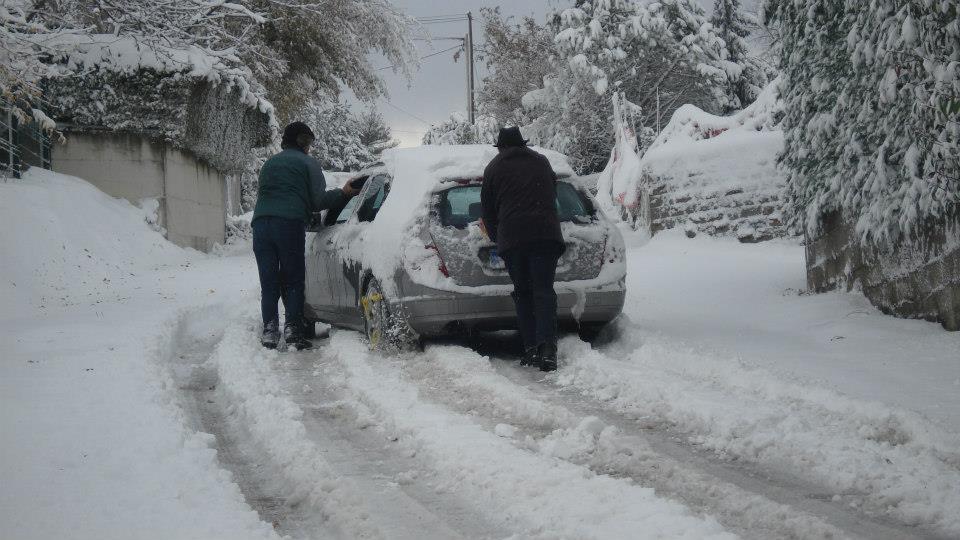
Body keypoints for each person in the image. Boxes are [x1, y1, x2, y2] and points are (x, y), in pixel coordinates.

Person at [252, 122, 359, 350]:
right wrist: (343, 193)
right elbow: (317, 201)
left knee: (268, 279)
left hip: (261, 224)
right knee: (292, 278)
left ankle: (270, 331)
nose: (310, 148)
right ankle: (293, 329)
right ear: (303, 142)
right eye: (309, 143)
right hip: (288, 224)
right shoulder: (307, 163)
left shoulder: (269, 164)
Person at [481, 126, 565, 371]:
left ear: (501, 147)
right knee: (544, 291)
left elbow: (487, 212)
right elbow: (553, 192)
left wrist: (500, 239)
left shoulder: (494, 168)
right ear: (522, 144)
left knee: (523, 293)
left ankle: (530, 349)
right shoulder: (541, 161)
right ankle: (548, 348)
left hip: (514, 239)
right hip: (546, 235)